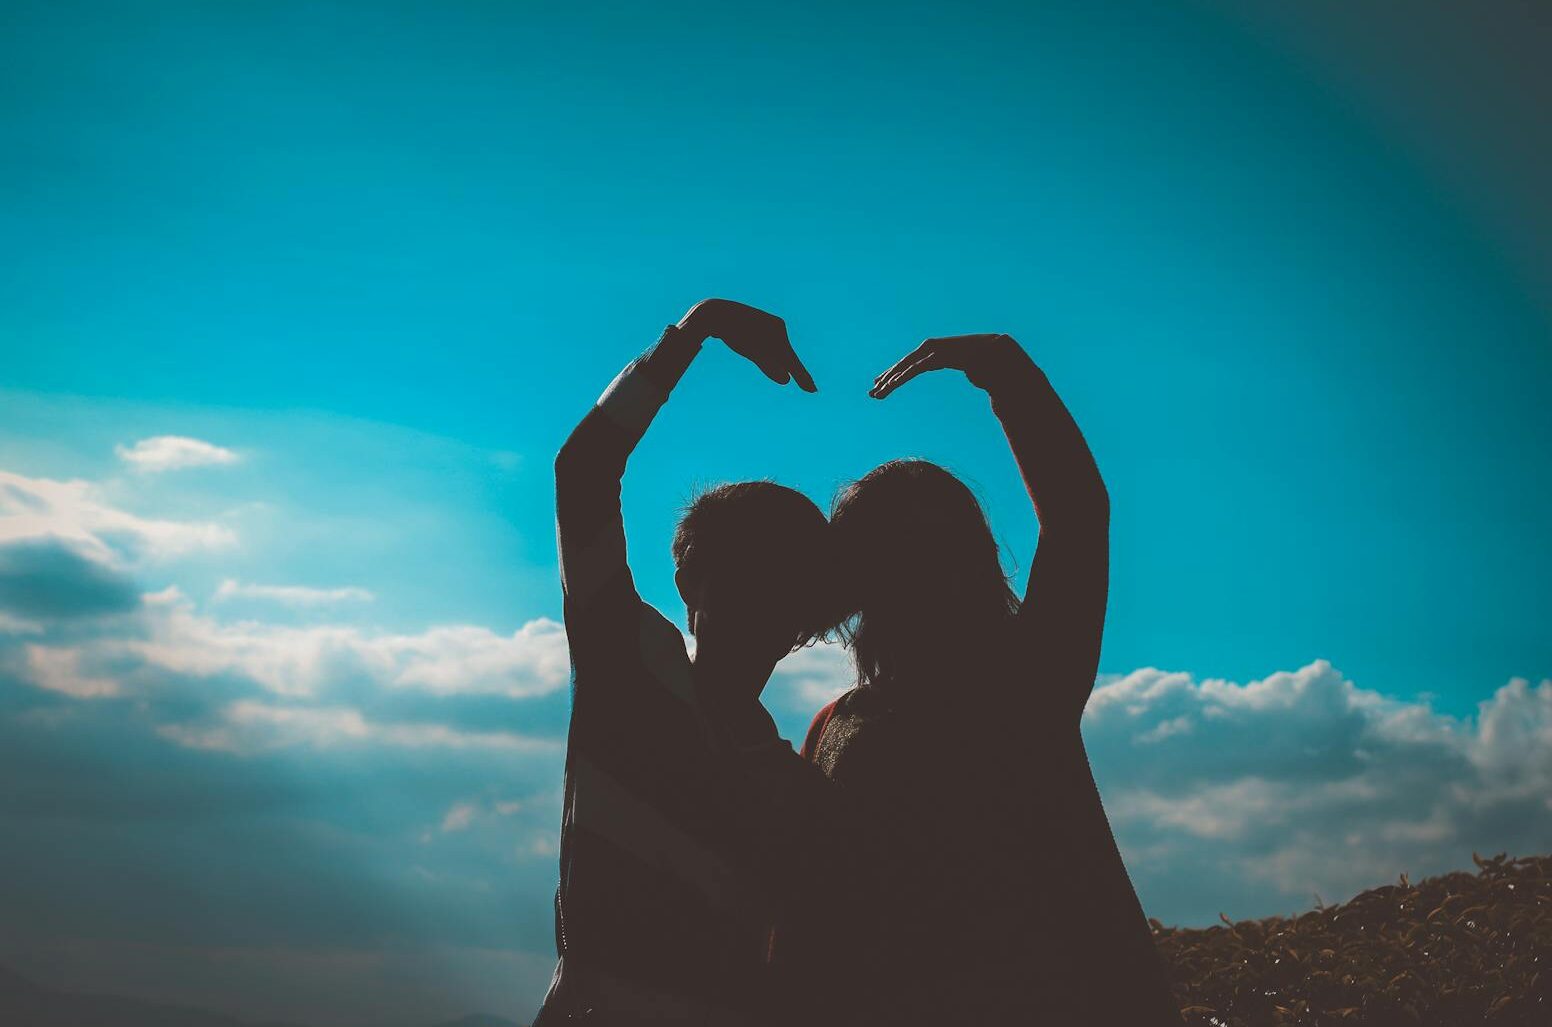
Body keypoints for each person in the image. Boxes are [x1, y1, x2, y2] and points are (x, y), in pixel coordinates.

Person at [780, 333, 1182, 1025]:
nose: (919, 572)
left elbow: (1078, 514)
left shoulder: (1024, 680)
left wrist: (1007, 374)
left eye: (931, 548)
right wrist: (1004, 372)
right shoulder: (841, 722)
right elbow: (808, 905)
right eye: (899, 549)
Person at [535, 298, 841, 1026]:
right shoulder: (628, 663)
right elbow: (582, 473)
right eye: (745, 575)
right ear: (688, 582)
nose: (762, 603)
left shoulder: (796, 787)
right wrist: (694, 329)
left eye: (785, 586)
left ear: (805, 621)